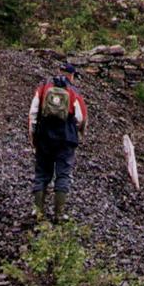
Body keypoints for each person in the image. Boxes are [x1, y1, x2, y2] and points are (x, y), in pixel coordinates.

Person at [28, 62, 88, 221]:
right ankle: (59, 215)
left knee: (41, 173)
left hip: (44, 137)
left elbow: (33, 112)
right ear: (72, 75)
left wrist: (33, 135)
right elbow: (81, 117)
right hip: (65, 139)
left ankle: (38, 212)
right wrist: (76, 131)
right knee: (63, 174)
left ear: (58, 71)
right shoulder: (74, 91)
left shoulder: (43, 87)